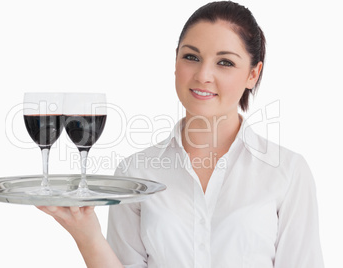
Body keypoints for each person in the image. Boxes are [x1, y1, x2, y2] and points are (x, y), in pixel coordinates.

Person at [37, 1, 324, 267]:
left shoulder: (287, 172)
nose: (203, 75)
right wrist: (87, 236)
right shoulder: (136, 171)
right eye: (191, 57)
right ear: (175, 62)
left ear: (253, 74)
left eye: (225, 62)